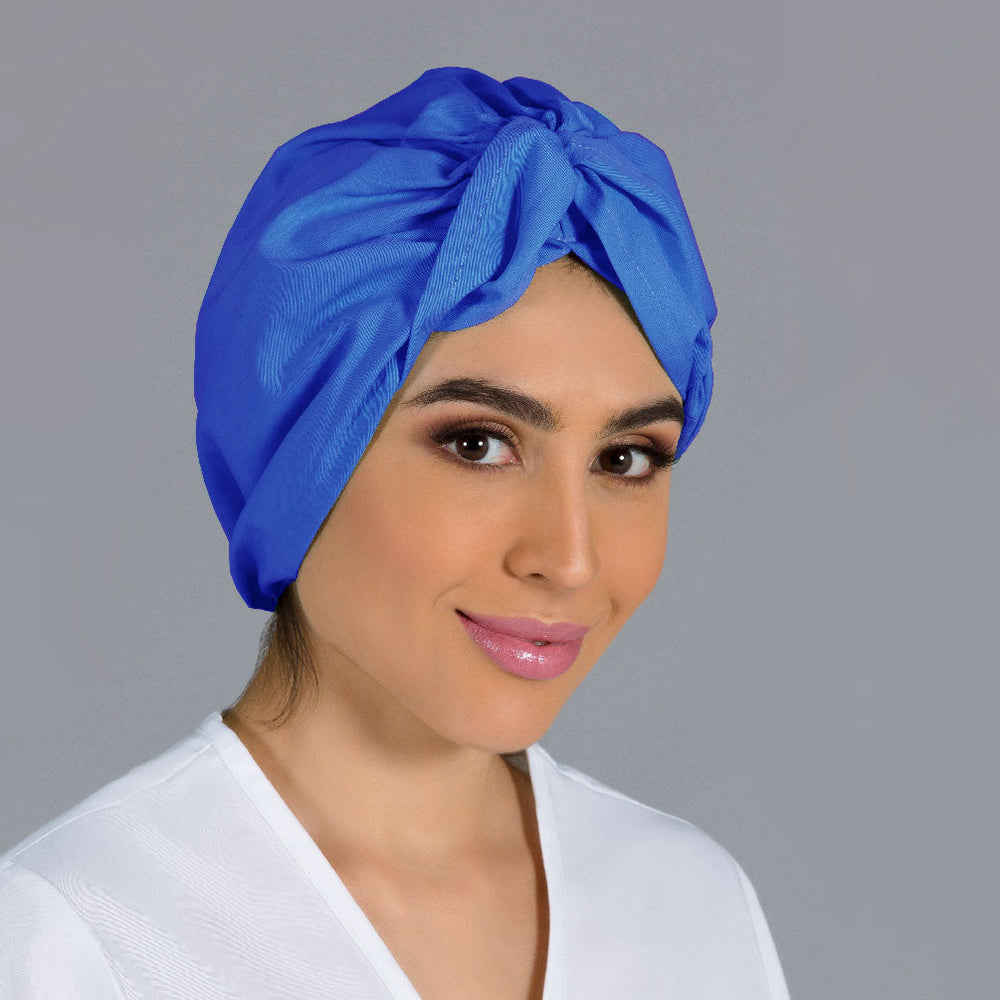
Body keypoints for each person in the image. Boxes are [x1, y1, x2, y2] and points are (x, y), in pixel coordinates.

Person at [0, 68, 789, 999]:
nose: (570, 560)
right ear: (299, 459)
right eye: (478, 443)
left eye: (624, 458)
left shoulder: (690, 905)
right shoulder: (82, 933)